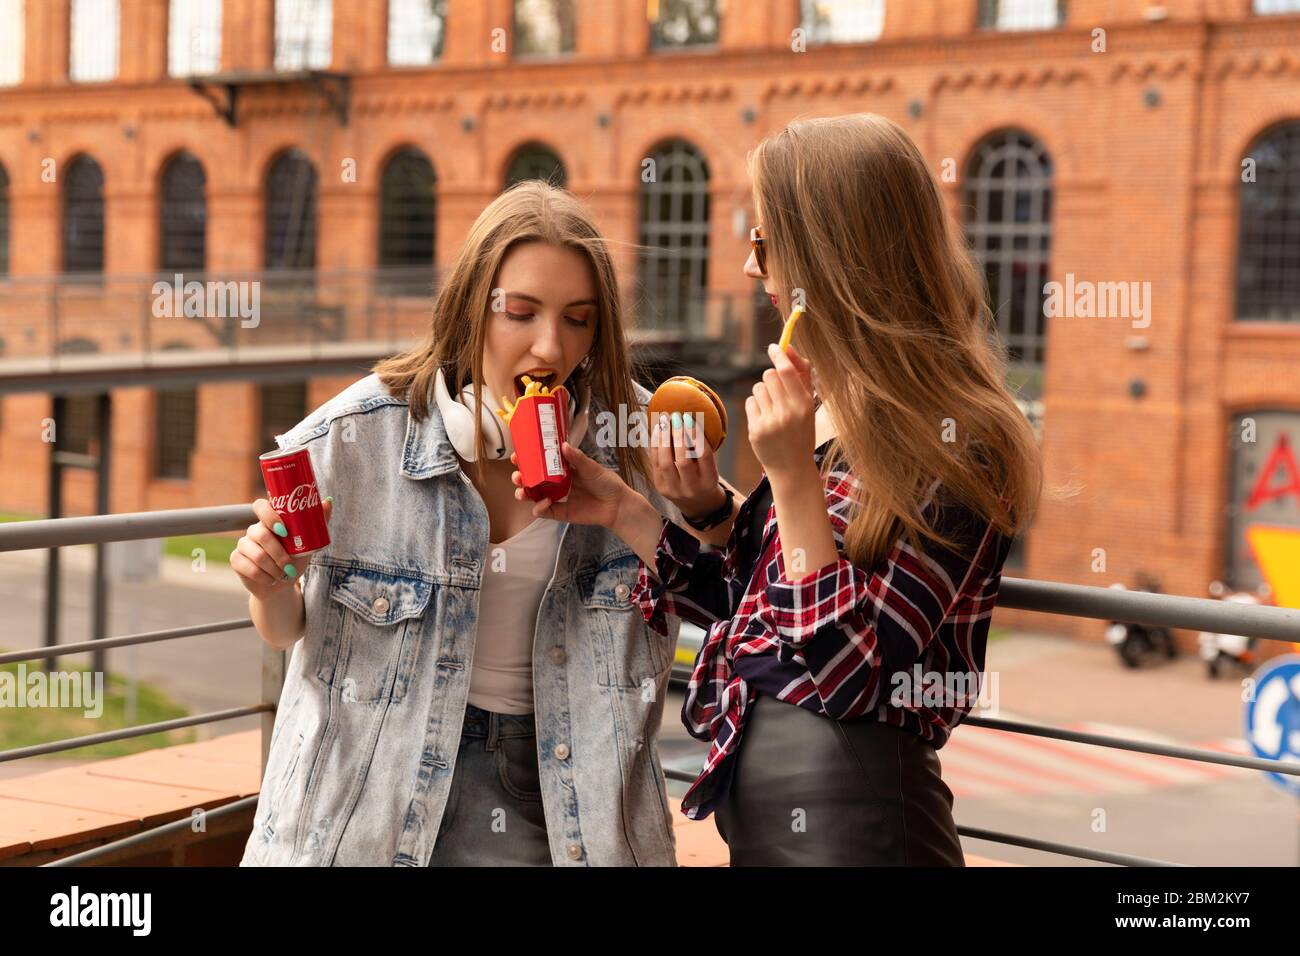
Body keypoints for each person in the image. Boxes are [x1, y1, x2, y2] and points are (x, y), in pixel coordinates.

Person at [516, 114, 1045, 865]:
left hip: (865, 836)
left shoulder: (958, 438)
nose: (749, 269)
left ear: (829, 256)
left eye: (763, 245)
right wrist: (631, 508)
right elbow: (764, 621)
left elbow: (846, 676)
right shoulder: (835, 409)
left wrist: (791, 476)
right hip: (772, 830)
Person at [235, 181, 681, 866]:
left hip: (558, 798)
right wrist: (269, 586)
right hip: (370, 801)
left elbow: (735, 587)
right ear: (473, 308)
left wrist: (638, 507)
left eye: (578, 319)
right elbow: (290, 629)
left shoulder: (643, 445)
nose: (549, 347)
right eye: (522, 313)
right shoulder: (350, 441)